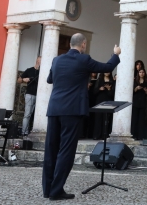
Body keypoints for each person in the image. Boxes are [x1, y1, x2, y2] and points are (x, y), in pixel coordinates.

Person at [42, 33, 120, 201]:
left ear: (70, 44)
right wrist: (116, 54)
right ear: (83, 44)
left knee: (51, 149)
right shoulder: (84, 60)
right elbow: (107, 67)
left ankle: (47, 189)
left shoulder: (56, 60)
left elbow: (50, 79)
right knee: (66, 151)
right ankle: (56, 190)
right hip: (72, 109)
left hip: (54, 108)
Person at [18, 56, 41, 136]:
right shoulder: (29, 70)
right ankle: (24, 132)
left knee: (36, 115)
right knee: (27, 114)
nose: (40, 63)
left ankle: (34, 131)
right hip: (30, 94)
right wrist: (24, 79)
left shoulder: (43, 71)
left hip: (40, 96)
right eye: (39, 61)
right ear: (37, 61)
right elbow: (19, 80)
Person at [92, 72, 115, 140]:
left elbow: (112, 94)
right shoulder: (99, 80)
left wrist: (109, 89)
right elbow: (94, 92)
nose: (107, 72)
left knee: (106, 118)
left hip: (108, 101)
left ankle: (104, 135)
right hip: (99, 100)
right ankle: (97, 135)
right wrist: (99, 89)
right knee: (98, 118)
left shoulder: (112, 81)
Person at [131, 68, 147, 140]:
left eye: (143, 72)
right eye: (140, 72)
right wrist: (136, 89)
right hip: (135, 102)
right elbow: (131, 92)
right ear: (138, 73)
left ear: (144, 73)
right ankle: (134, 135)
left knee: (141, 120)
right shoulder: (135, 82)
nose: (141, 73)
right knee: (134, 119)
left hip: (142, 102)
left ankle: (141, 135)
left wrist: (146, 91)